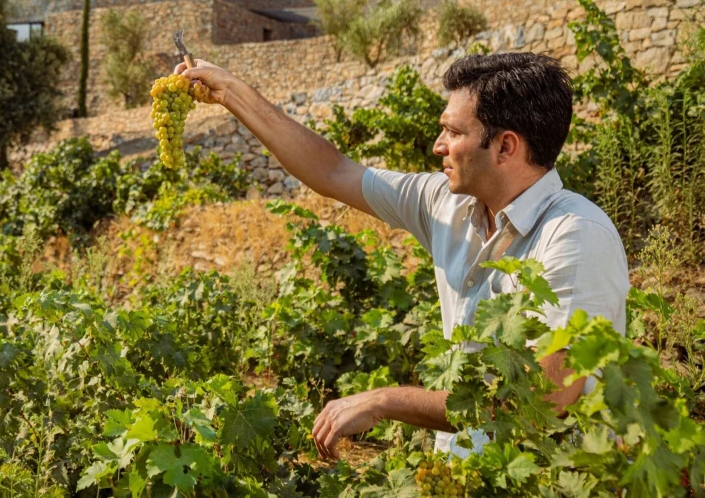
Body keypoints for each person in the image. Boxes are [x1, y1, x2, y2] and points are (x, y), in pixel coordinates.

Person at [174, 52, 629, 459]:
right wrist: (229, 91)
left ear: (506, 146)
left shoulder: (575, 236)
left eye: (452, 132)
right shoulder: (445, 203)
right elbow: (332, 170)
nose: (438, 145)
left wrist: (386, 401)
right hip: (459, 475)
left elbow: (540, 404)